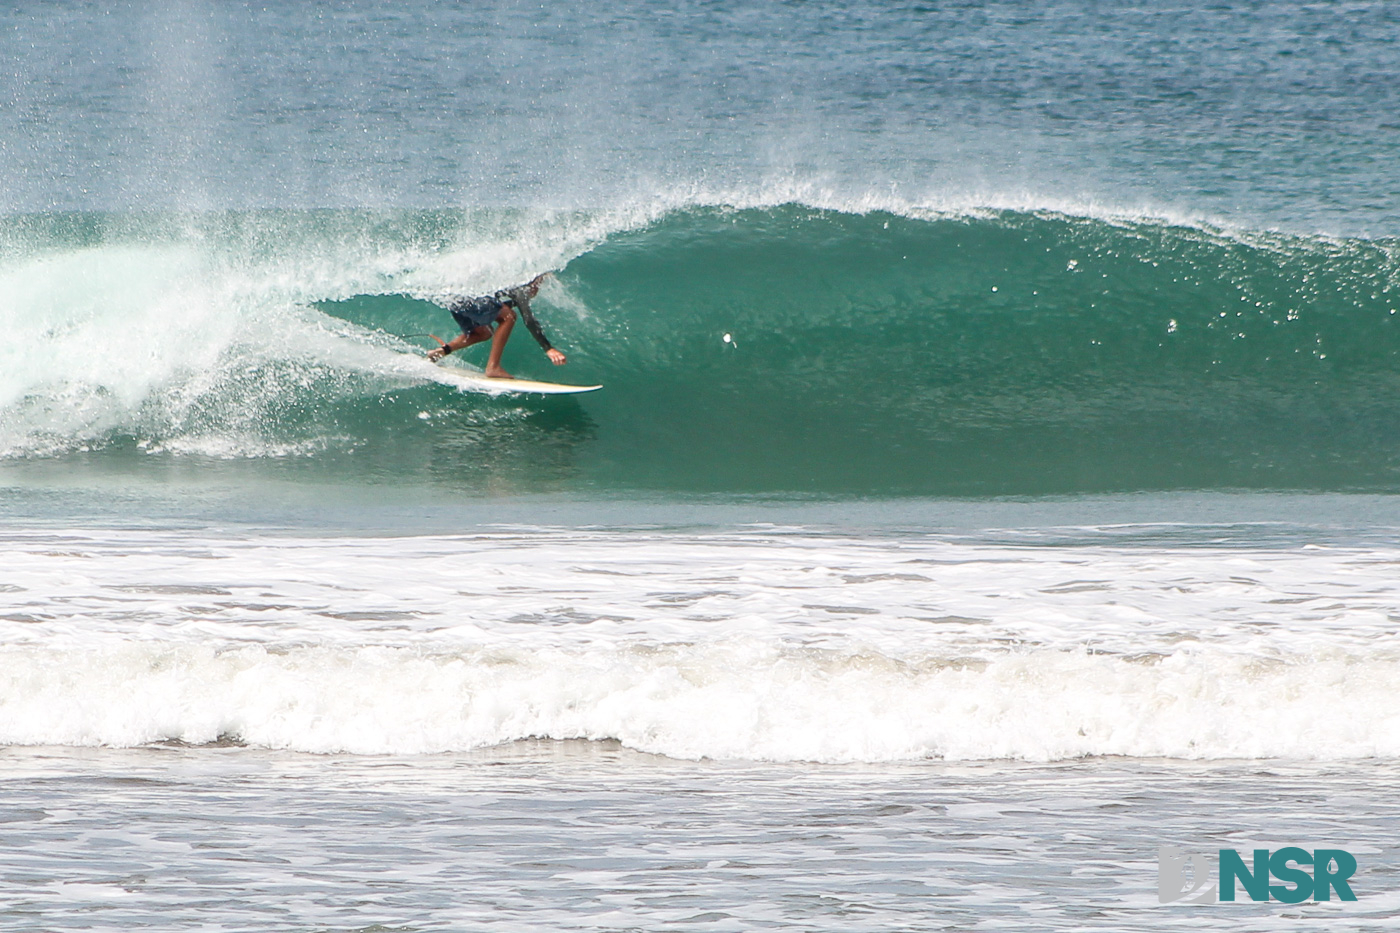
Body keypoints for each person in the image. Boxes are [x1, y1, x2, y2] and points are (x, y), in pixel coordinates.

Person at [427, 273, 567, 378]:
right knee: (509, 317)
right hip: (469, 296)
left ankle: (441, 351)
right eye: (539, 282)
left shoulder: (510, 284)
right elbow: (528, 319)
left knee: (483, 333)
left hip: (455, 297)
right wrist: (548, 348)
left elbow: (497, 307)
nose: (538, 288)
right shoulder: (521, 289)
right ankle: (493, 367)